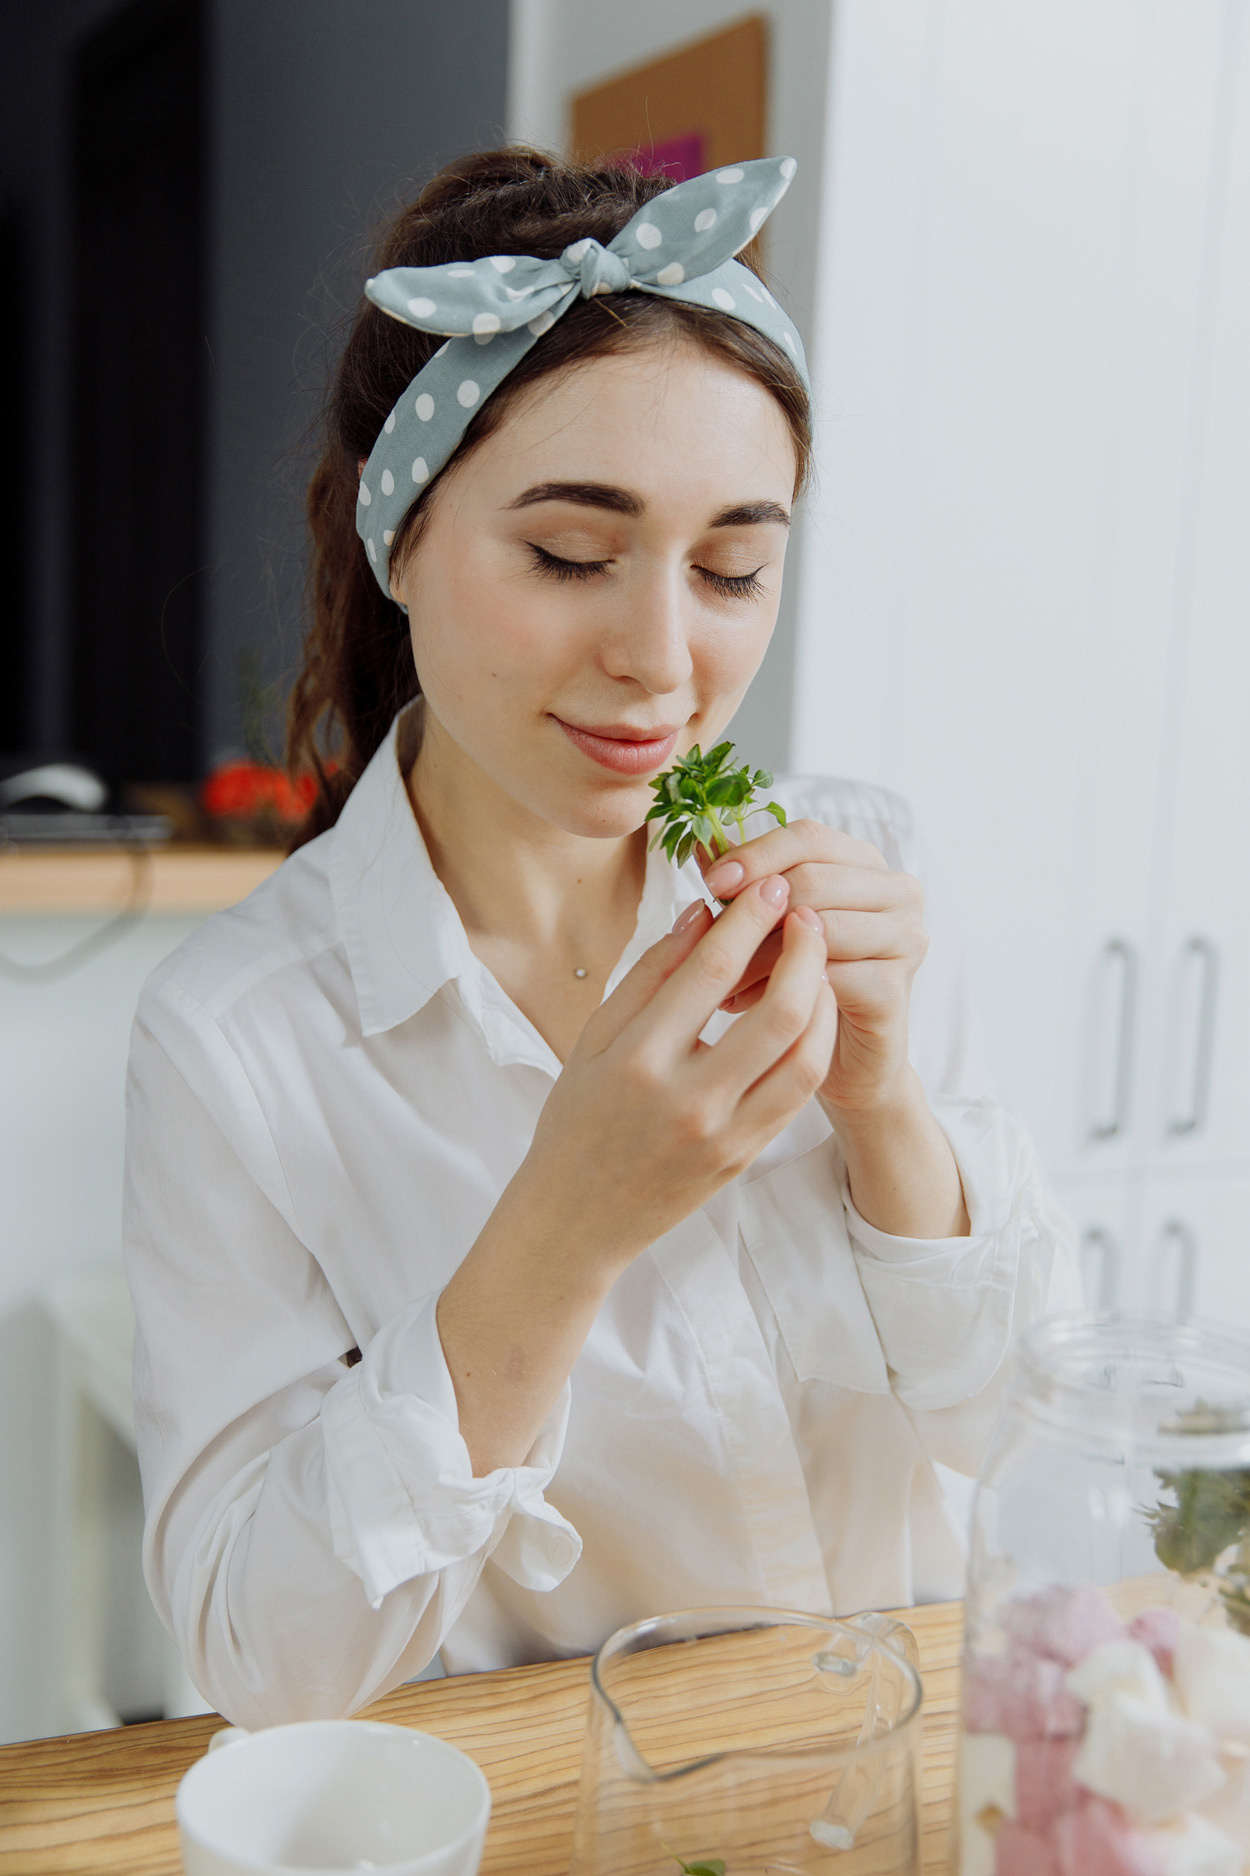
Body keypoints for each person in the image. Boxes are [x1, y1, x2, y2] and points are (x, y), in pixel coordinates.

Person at [124, 148, 1078, 1728]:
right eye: (569, 556)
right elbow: (263, 1665)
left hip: (914, 1778)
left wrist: (890, 1116)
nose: (659, 661)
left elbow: (1021, 1436)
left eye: (732, 568)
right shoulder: (238, 1038)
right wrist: (563, 1224)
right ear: (403, 539)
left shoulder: (856, 872)